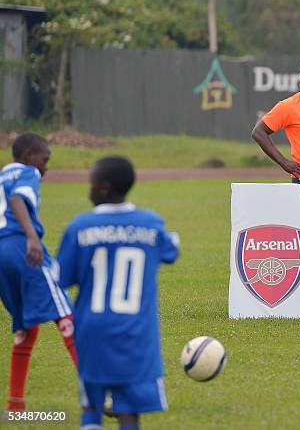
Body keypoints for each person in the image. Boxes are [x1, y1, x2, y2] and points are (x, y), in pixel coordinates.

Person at [57, 156, 179, 430]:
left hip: (92, 330)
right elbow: (171, 252)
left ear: (102, 187)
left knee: (91, 406)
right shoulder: (150, 223)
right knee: (129, 411)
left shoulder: (80, 227)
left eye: (90, 182)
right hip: (136, 332)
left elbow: (62, 278)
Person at [0, 133, 78, 411]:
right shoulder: (28, 172)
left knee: (26, 328)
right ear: (30, 156)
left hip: (1, 256)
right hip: (23, 247)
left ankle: (15, 406)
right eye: (45, 160)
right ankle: (96, 395)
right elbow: (18, 201)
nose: (46, 168)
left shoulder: (1, 176)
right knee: (66, 316)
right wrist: (32, 237)